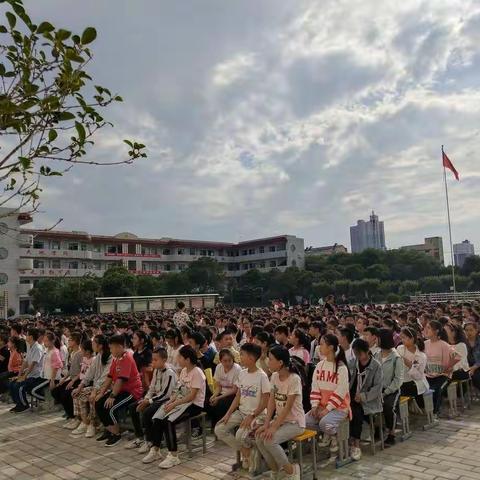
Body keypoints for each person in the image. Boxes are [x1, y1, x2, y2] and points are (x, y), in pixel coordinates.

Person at [215, 343, 270, 472]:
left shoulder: (262, 376)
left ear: (251, 357)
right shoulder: (243, 373)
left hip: (257, 415)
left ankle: (251, 455)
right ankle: (248, 453)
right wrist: (228, 414)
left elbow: (266, 401)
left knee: (240, 435)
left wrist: (252, 415)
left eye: (242, 355)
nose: (239, 357)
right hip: (241, 412)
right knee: (219, 429)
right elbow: (238, 396)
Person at [149, 345, 206, 469]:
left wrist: (174, 404)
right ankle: (155, 449)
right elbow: (178, 390)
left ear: (188, 359)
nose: (177, 359)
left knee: (168, 421)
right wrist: (171, 401)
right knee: (158, 418)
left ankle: (174, 456)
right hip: (181, 402)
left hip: (194, 405)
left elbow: (191, 397)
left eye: (180, 357)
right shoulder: (184, 371)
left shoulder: (197, 373)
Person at [255, 346, 304, 480]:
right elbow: (271, 401)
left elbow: (288, 407)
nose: (268, 362)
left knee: (270, 441)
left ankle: (291, 470)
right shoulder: (275, 376)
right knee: (259, 438)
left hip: (295, 423)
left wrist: (274, 427)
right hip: (280, 420)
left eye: (270, 359)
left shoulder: (294, 379)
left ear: (280, 362)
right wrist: (266, 424)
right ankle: (276, 470)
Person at [126, 347, 177, 457]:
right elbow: (152, 388)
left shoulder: (169, 373)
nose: (152, 362)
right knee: (133, 407)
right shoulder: (157, 370)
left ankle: (150, 441)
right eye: (152, 359)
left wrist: (148, 401)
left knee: (147, 412)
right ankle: (140, 437)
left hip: (166, 400)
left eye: (155, 360)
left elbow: (166, 394)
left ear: (164, 360)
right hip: (156, 397)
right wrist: (146, 399)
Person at [95, 335, 143, 447]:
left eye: (112, 348)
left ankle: (116, 434)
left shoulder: (127, 358)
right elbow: (110, 376)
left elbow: (121, 380)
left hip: (132, 391)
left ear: (120, 347)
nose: (110, 350)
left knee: (110, 408)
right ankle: (110, 430)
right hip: (120, 390)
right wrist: (102, 393)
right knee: (99, 403)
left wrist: (112, 396)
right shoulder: (115, 358)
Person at [306, 334, 350, 455]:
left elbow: (340, 392)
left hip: (339, 408)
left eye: (322, 344)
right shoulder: (320, 365)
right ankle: (327, 434)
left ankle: (334, 435)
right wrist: (314, 406)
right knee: (303, 422)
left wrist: (328, 409)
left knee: (325, 423)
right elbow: (314, 387)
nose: (319, 347)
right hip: (321, 406)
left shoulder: (341, 368)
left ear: (330, 347)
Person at [71, 334, 112, 438]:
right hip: (96, 387)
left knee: (93, 398)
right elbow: (89, 373)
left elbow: (105, 377)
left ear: (100, 345)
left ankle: (92, 424)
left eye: (94, 343)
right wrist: (80, 386)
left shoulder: (110, 358)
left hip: (107, 388)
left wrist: (94, 391)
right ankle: (84, 422)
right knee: (77, 394)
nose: (92, 345)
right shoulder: (98, 356)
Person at [349, 339, 383, 461]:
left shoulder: (376, 366)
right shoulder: (352, 363)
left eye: (360, 354)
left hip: (368, 400)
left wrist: (363, 396)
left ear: (367, 352)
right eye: (356, 354)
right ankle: (347, 439)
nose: (358, 357)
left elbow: (377, 388)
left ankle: (356, 444)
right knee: (345, 410)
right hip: (351, 397)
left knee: (356, 413)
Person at [424, 320, 460, 415]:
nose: (425, 330)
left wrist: (447, 367)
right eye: (425, 327)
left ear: (436, 331)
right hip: (427, 375)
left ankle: (435, 413)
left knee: (436, 390)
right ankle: (427, 410)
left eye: (428, 328)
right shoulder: (425, 344)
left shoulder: (444, 344)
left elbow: (457, 356)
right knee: (423, 390)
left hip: (442, 375)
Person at [377, 328, 404, 446]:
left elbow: (398, 380)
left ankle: (391, 433)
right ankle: (377, 427)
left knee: (388, 406)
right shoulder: (376, 355)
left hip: (391, 389)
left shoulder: (396, 357)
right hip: (377, 388)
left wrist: (386, 392)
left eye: (377, 338)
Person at [9, 327, 45, 413]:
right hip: (29, 374)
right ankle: (18, 404)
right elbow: (25, 362)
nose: (26, 336)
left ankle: (24, 405)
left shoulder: (38, 348)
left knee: (19, 386)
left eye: (27, 335)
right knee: (12, 383)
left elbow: (33, 364)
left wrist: (24, 377)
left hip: (36, 376)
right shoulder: (29, 346)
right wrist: (19, 375)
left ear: (31, 337)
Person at [51, 332, 83, 427]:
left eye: (70, 340)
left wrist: (72, 381)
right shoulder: (71, 352)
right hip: (71, 377)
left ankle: (74, 416)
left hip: (79, 379)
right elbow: (70, 369)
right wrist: (64, 378)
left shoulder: (80, 353)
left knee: (66, 394)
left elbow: (82, 371)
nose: (68, 341)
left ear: (76, 342)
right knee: (56, 390)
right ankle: (69, 412)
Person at [397, 326, 429, 409]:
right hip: (401, 379)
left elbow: (418, 376)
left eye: (404, 338)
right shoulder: (400, 349)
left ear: (411, 339)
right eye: (401, 338)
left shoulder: (421, 356)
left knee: (401, 389)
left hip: (415, 382)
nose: (402, 340)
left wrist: (410, 365)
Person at [209, 349, 241, 427]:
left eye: (230, 361)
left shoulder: (237, 369)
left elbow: (235, 390)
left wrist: (219, 398)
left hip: (233, 394)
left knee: (221, 404)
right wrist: (214, 396)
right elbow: (219, 386)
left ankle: (222, 425)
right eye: (225, 361)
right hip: (222, 393)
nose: (227, 363)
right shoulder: (219, 367)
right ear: (220, 361)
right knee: (210, 402)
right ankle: (215, 427)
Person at [29, 332, 63, 405]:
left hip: (51, 378)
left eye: (46, 341)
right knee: (29, 387)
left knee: (33, 391)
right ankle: (48, 401)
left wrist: (52, 381)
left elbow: (56, 367)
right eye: (44, 341)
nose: (44, 343)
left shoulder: (55, 352)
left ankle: (50, 401)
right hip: (44, 376)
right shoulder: (47, 350)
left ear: (52, 341)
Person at [464, 322, 480, 389]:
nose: (468, 332)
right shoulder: (463, 343)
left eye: (471, 330)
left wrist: (474, 367)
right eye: (466, 330)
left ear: (476, 330)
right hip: (468, 366)